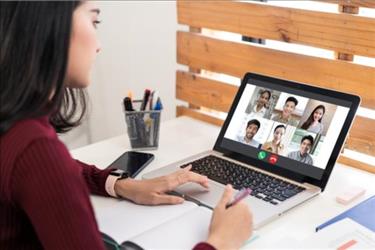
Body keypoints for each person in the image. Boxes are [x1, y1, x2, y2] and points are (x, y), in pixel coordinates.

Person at [0, 2, 252, 250]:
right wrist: (221, 242)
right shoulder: (37, 149)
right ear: (51, 24)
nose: (99, 45)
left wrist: (120, 185)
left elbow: (46, 174)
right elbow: (45, 166)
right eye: (93, 21)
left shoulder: (18, 128)